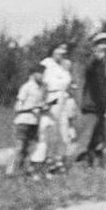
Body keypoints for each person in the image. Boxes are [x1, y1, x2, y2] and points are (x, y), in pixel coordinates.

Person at [77, 32, 106, 167]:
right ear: (95, 46)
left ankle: (93, 163)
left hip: (101, 107)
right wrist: (95, 58)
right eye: (103, 44)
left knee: (98, 137)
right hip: (91, 106)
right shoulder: (93, 62)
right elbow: (88, 70)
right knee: (86, 137)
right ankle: (80, 163)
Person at [6, 64, 46, 177]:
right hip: (23, 121)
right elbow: (18, 106)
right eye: (41, 73)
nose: (43, 76)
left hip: (34, 122)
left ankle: (23, 169)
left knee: (29, 148)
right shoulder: (26, 87)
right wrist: (29, 109)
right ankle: (10, 170)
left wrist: (41, 107)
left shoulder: (41, 88)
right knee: (19, 146)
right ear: (34, 74)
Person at [39, 43, 73, 174]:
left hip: (64, 98)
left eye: (64, 51)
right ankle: (47, 160)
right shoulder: (47, 64)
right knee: (51, 130)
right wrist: (42, 101)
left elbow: (68, 83)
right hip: (52, 97)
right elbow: (42, 84)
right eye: (59, 50)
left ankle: (58, 160)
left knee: (64, 130)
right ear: (53, 50)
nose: (62, 53)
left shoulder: (64, 66)